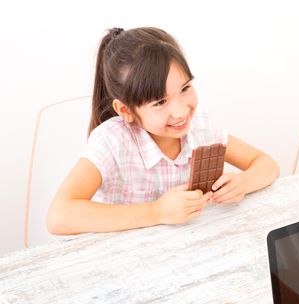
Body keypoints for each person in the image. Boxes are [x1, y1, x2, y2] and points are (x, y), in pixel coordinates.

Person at [47, 27, 279, 235]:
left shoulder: (201, 128)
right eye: (159, 102)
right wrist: (156, 212)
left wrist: (243, 183)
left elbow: (267, 165)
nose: (179, 112)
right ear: (125, 110)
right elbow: (59, 216)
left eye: (185, 88)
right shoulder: (113, 141)